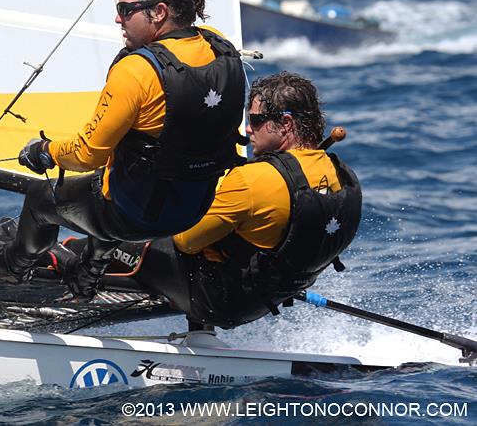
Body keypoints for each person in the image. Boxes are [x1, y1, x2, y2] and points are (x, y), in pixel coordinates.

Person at [0, 0, 246, 300]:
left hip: (136, 215)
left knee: (43, 197)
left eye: (125, 9)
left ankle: (13, 266)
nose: (117, 18)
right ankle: (88, 271)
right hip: (192, 207)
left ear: (157, 13)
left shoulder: (137, 71)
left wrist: (44, 151)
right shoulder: (220, 47)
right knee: (117, 176)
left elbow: (85, 153)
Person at [53, 72, 362, 329]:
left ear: (285, 124)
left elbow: (185, 242)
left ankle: (54, 269)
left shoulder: (254, 182)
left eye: (254, 121)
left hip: (217, 302)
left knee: (122, 233)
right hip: (265, 298)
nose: (247, 130)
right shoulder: (342, 176)